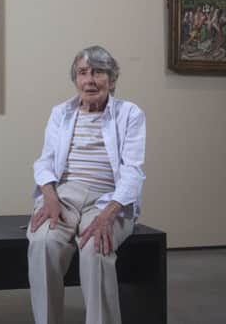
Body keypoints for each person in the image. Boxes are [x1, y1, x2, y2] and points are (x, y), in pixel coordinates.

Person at [27, 46, 146, 324]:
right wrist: (50, 197)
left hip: (108, 199)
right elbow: (44, 162)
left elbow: (133, 171)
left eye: (98, 72)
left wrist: (110, 213)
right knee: (43, 243)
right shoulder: (61, 113)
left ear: (112, 80)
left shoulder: (130, 114)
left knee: (96, 248)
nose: (90, 80)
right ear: (76, 80)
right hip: (64, 196)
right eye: (83, 73)